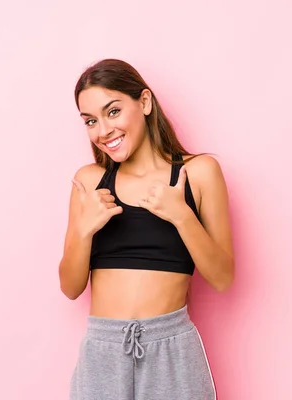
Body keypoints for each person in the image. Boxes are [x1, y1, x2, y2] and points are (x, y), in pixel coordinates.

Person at [59, 58, 234, 400]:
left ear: (145, 102)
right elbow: (70, 287)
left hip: (172, 347)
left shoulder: (197, 173)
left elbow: (223, 277)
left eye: (113, 111)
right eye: (91, 121)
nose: (103, 131)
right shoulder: (89, 182)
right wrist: (84, 231)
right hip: (103, 349)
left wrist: (181, 215)